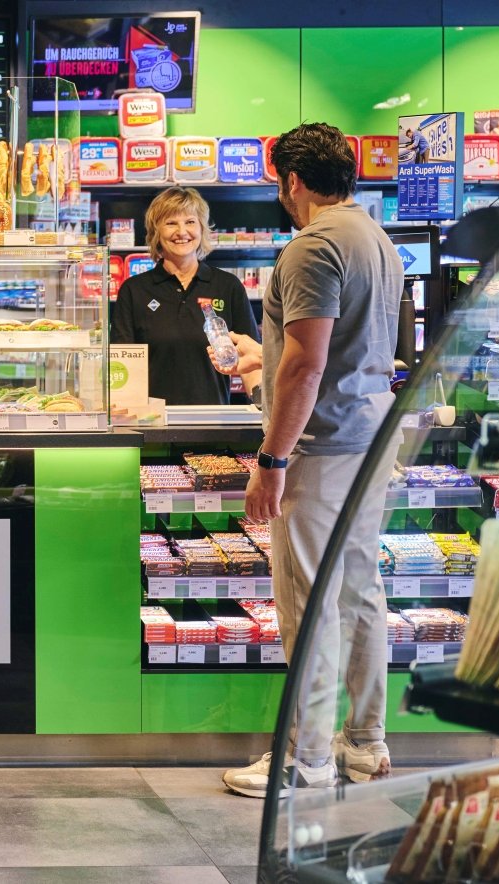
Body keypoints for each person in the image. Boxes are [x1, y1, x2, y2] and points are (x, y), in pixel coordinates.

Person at [219, 122, 404, 799]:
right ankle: (363, 744)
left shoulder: (312, 246)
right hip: (367, 441)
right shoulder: (376, 239)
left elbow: (305, 365)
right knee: (358, 593)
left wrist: (272, 458)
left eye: (279, 182)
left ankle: (304, 759)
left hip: (320, 450)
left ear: (293, 181)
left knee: (307, 605)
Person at [109, 185, 260, 404]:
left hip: (214, 423)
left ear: (202, 229)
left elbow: (251, 360)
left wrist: (263, 404)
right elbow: (122, 364)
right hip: (151, 424)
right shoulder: (134, 290)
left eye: (190, 222)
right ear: (156, 232)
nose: (182, 232)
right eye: (171, 223)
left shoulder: (228, 286)